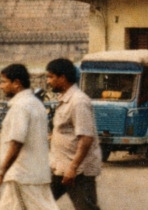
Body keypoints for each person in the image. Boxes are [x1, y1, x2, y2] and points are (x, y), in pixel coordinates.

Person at [0, 64, 58, 210]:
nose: (1, 86)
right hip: (31, 174)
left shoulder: (21, 106)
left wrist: (1, 173)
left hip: (22, 176)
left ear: (16, 83)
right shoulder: (36, 104)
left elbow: (16, 142)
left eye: (4, 82)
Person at [46, 58, 102, 210]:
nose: (48, 81)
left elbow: (86, 138)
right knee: (38, 203)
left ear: (62, 78)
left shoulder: (78, 101)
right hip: (60, 167)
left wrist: (73, 168)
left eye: (51, 77)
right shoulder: (65, 100)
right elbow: (66, 131)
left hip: (78, 171)